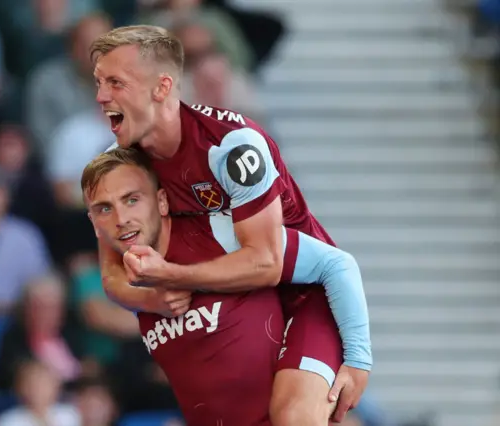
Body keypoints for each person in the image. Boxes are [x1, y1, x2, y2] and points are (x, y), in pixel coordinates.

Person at [90, 25, 371, 425]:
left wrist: (172, 275)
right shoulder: (118, 166)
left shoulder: (231, 145)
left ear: (161, 87)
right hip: (233, 299)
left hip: (302, 289)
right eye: (100, 83)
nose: (101, 97)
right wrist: (151, 299)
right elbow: (113, 273)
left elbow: (268, 263)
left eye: (115, 83)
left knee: (294, 418)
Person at [81, 147, 369, 426]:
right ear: (94, 224)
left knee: (294, 418)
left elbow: (337, 265)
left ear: (162, 201)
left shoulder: (219, 231)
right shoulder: (132, 277)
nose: (121, 219)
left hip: (308, 322)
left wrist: (358, 361)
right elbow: (112, 282)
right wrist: (150, 300)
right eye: (105, 209)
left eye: (132, 200)